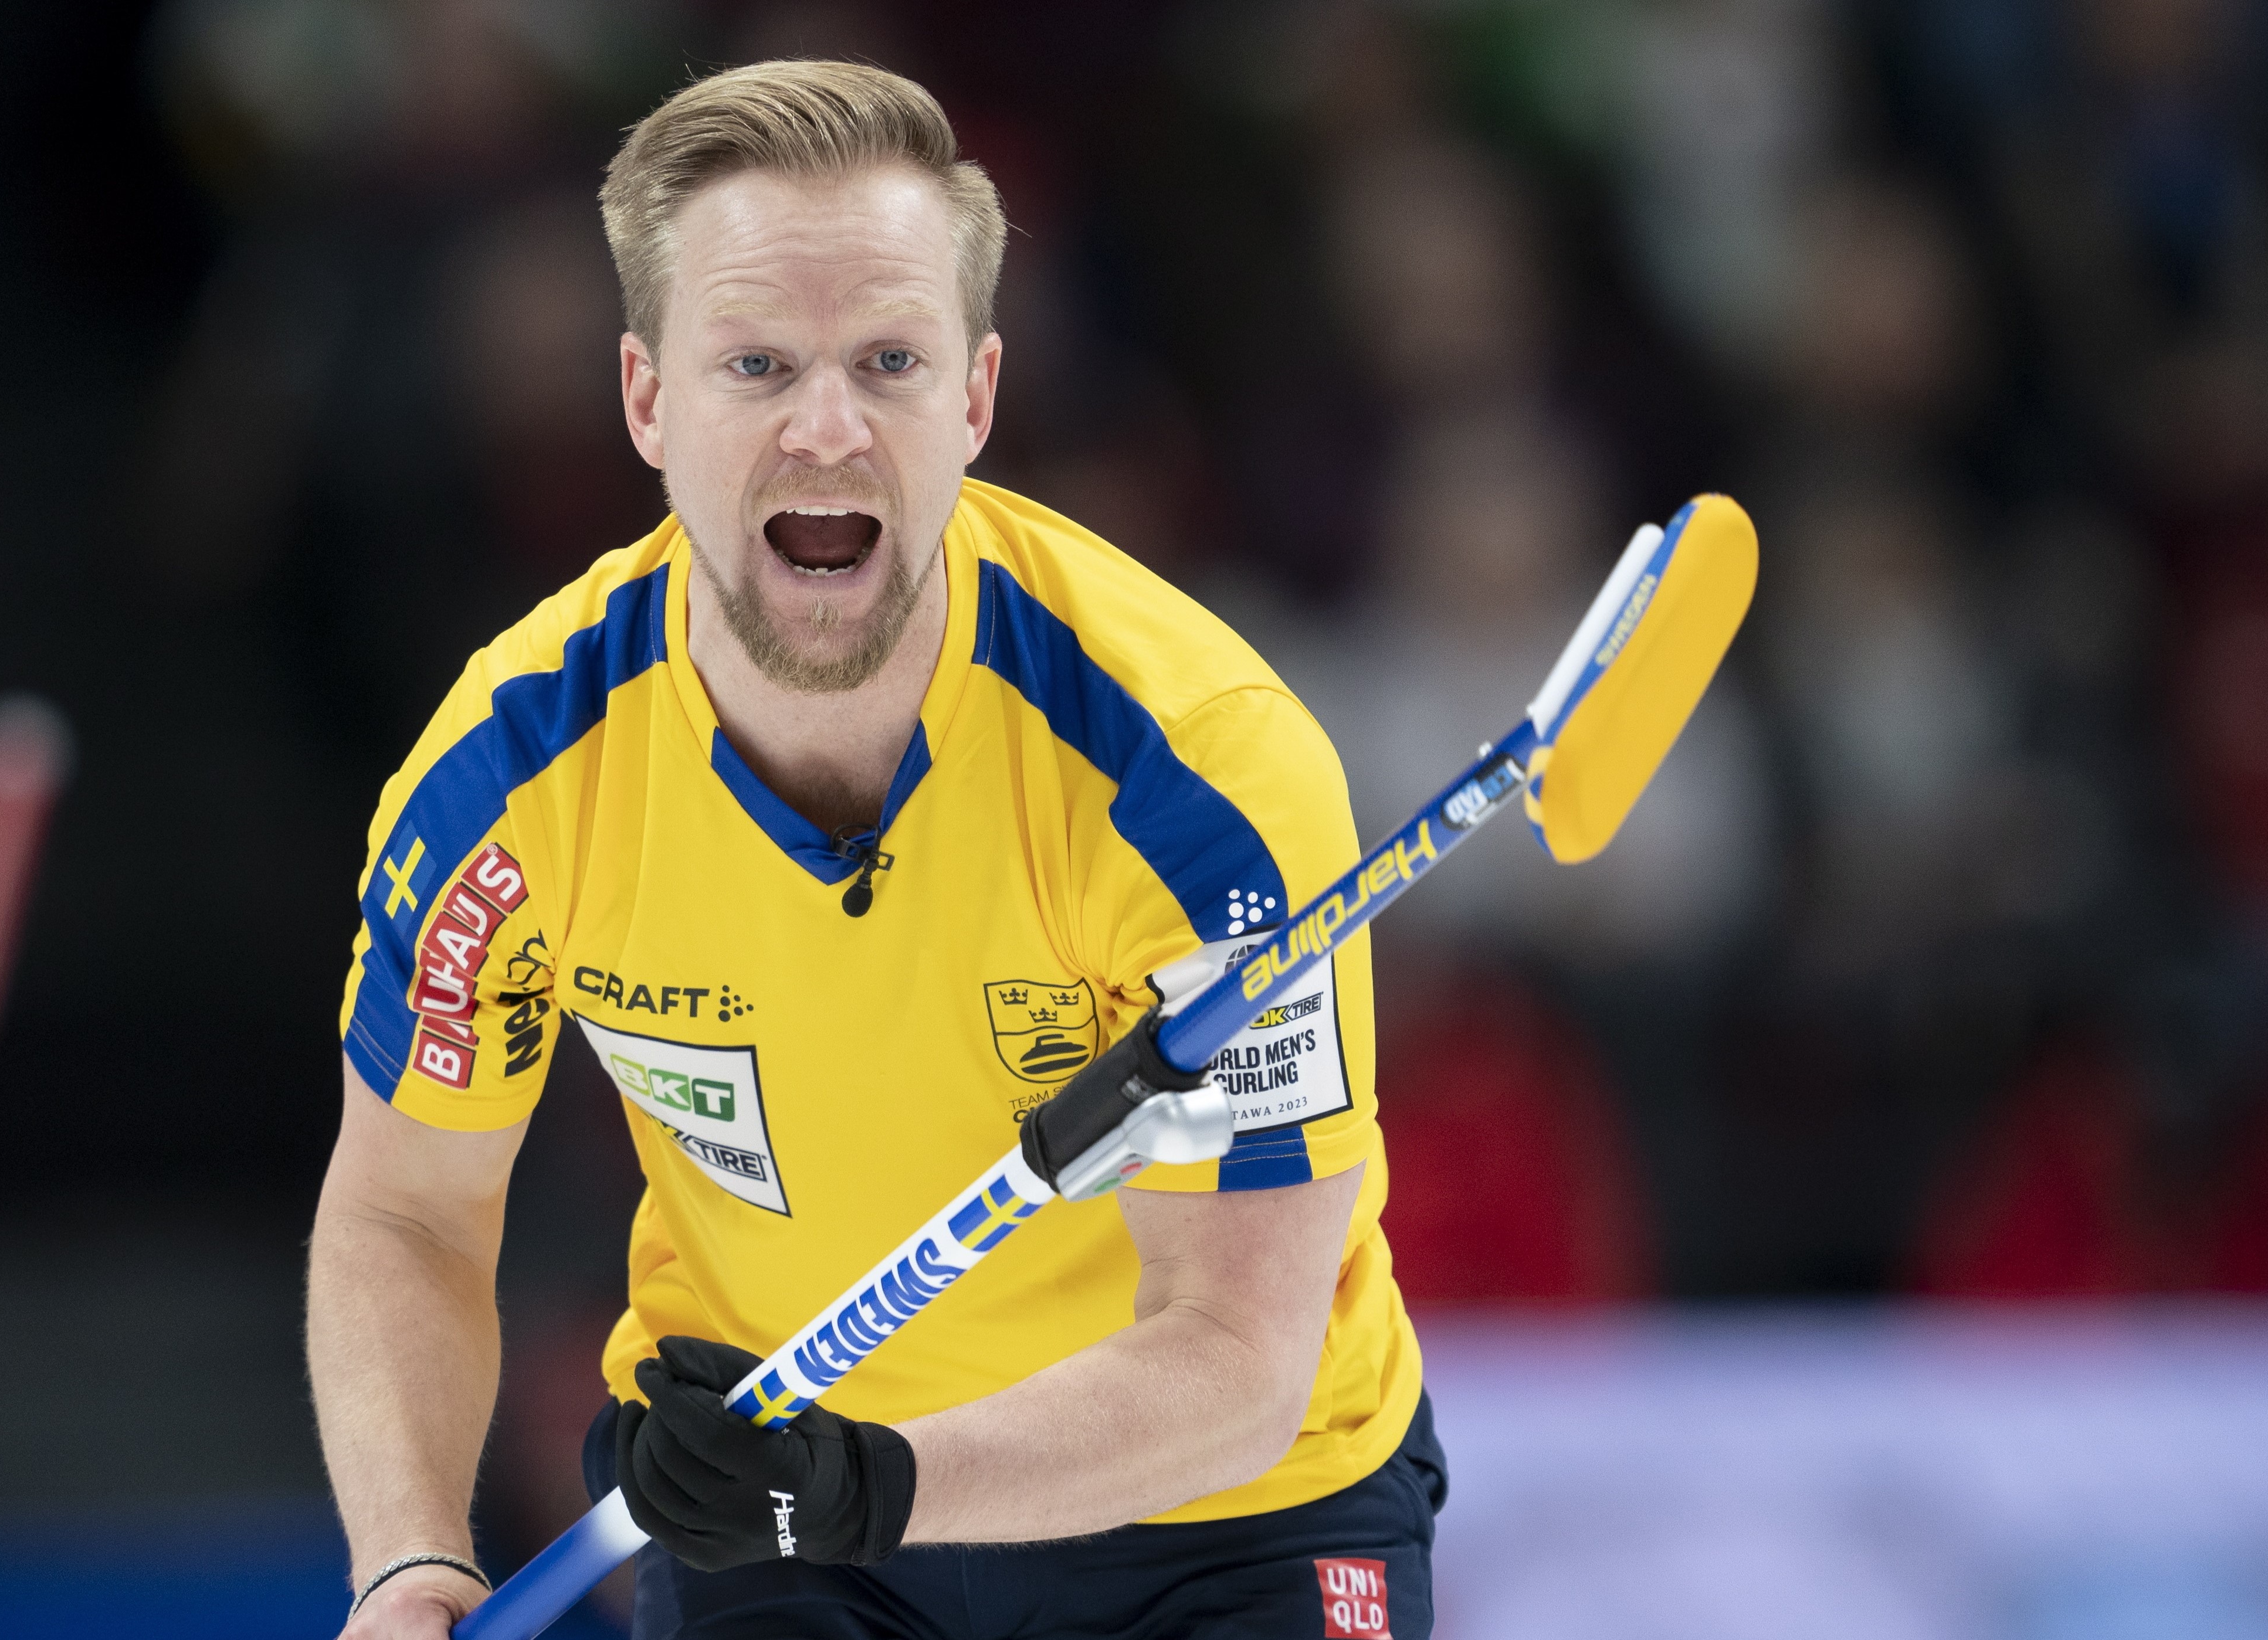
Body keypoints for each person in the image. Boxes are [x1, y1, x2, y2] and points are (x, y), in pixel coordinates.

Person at [310, 63, 1442, 1640]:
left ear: (974, 397)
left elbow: (1235, 1365)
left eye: (889, 362)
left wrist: (873, 1476)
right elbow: (407, 1210)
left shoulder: (1201, 778)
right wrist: (410, 1560)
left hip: (1224, 1519)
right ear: (646, 399)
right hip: (787, 1521)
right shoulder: (505, 781)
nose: (826, 428)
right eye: (757, 362)